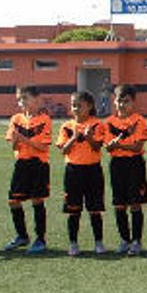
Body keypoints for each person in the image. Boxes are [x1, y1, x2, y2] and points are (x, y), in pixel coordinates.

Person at [58, 91, 108, 256]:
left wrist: (89, 138)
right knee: (74, 210)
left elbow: (97, 147)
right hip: (73, 171)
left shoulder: (97, 125)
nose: (76, 108)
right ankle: (73, 243)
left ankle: (99, 242)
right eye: (73, 105)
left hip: (93, 170)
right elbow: (63, 150)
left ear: (90, 106)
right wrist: (74, 138)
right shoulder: (66, 126)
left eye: (79, 105)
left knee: (94, 209)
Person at [4, 85, 52, 254]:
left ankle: (40, 239)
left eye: (25, 98)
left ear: (37, 99)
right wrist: (17, 140)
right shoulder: (16, 119)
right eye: (19, 99)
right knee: (13, 200)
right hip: (22, 163)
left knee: (37, 200)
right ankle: (22, 235)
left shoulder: (44, 120)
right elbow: (14, 146)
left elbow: (42, 147)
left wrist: (23, 138)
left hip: (38, 164)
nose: (21, 102)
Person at [104, 85, 147, 255]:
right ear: (114, 102)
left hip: (134, 164)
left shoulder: (139, 120)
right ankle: (124, 239)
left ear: (133, 102)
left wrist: (119, 145)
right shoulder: (109, 122)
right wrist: (113, 146)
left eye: (126, 101)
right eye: (119, 101)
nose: (122, 105)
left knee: (135, 203)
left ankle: (137, 241)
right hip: (117, 165)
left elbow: (137, 147)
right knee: (119, 204)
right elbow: (109, 148)